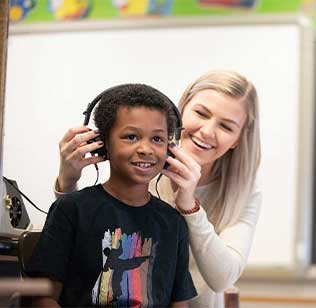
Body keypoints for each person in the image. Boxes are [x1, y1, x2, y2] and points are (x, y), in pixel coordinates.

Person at [55, 70, 262, 307]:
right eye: (201, 113)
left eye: (226, 127)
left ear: (237, 139)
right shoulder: (141, 168)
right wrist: (67, 182)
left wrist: (189, 206)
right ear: (180, 112)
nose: (207, 131)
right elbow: (81, 242)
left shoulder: (246, 191)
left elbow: (222, 278)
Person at [27, 84, 197, 307]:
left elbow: (179, 302)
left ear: (170, 149)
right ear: (102, 143)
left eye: (157, 139)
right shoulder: (72, 209)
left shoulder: (173, 223)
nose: (146, 148)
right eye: (131, 136)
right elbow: (42, 297)